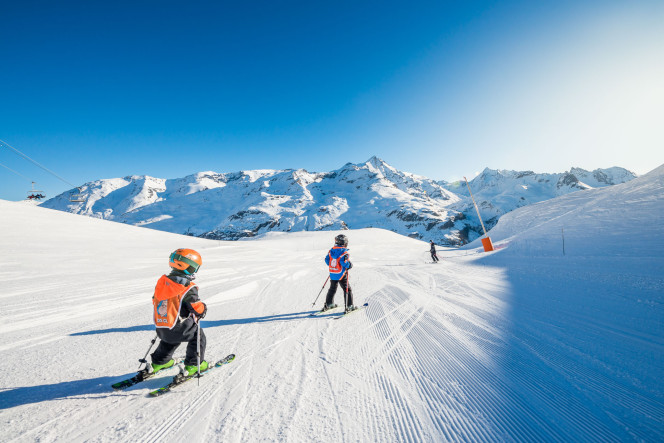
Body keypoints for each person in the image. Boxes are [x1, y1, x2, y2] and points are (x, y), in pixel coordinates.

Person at [149, 248, 209, 378]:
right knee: (197, 337)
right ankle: (193, 365)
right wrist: (203, 309)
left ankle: (160, 362)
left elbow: (155, 299)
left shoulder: (162, 283)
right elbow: (195, 306)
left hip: (162, 326)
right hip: (179, 328)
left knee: (169, 339)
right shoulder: (187, 287)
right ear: (188, 267)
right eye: (195, 267)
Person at [323, 234, 357, 313]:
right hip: (341, 274)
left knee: (332, 288)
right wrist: (349, 265)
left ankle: (329, 303)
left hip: (333, 273)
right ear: (344, 243)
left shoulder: (331, 250)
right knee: (347, 289)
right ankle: (349, 306)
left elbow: (327, 260)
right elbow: (343, 262)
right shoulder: (344, 252)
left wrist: (333, 266)